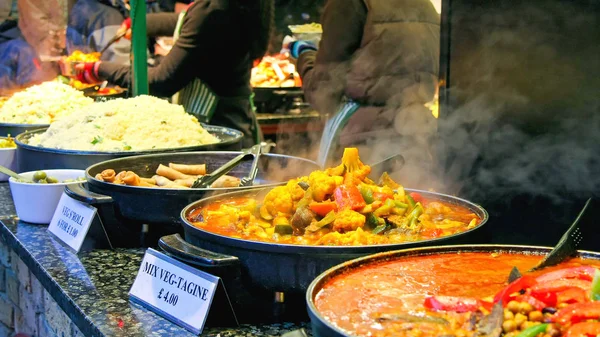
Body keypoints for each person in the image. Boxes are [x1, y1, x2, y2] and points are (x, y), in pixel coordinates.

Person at [64, 0, 273, 146]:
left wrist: (100, 69)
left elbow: (161, 80)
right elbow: (189, 18)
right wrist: (142, 24)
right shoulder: (236, 4)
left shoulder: (212, 10)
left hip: (220, 134)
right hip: (238, 121)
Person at [287, 0, 440, 188]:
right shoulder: (425, 4)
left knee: (358, 213)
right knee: (412, 208)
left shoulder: (347, 4)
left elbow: (323, 93)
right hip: (417, 136)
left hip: (365, 143)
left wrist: (303, 54)